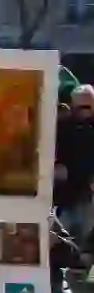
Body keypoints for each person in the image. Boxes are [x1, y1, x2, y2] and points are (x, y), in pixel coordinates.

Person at [56, 85, 94, 243]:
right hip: (66, 193)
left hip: (87, 194)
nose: (83, 112)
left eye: (88, 107)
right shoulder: (64, 127)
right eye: (79, 108)